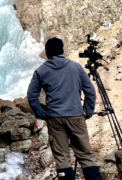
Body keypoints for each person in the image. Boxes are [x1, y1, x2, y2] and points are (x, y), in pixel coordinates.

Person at [27, 38, 102, 180]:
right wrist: (87, 111)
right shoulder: (76, 67)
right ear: (62, 50)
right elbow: (90, 92)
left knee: (62, 159)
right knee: (85, 155)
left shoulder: (40, 71)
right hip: (76, 115)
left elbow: (31, 96)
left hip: (54, 118)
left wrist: (41, 114)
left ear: (47, 53)